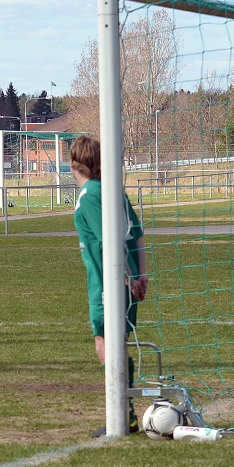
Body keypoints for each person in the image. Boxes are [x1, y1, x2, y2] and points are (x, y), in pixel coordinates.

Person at [69, 136, 148, 437]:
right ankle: (124, 412)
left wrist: (126, 278)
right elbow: (137, 235)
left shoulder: (90, 194)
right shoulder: (115, 191)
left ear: (73, 162)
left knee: (105, 345)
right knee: (118, 342)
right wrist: (142, 276)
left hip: (107, 284)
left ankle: (122, 414)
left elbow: (107, 242)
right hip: (126, 282)